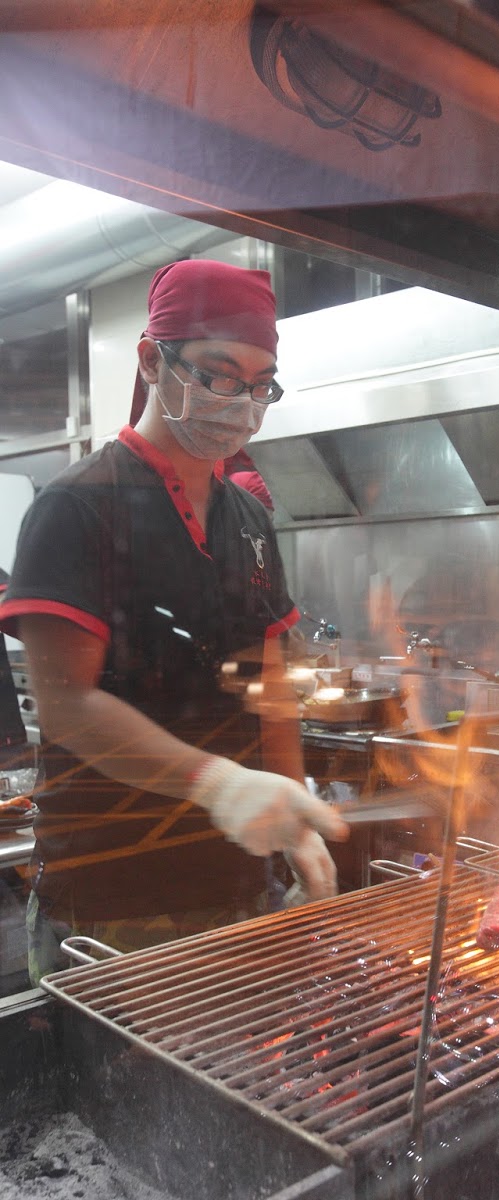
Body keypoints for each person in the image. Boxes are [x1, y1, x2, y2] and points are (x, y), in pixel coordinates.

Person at [0, 258, 348, 981]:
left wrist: (295, 811)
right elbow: (67, 706)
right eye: (219, 375)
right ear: (152, 361)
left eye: (260, 385)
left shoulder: (248, 516)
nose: (240, 403)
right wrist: (219, 784)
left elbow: (270, 679)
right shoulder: (77, 507)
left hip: (238, 883)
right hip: (112, 903)